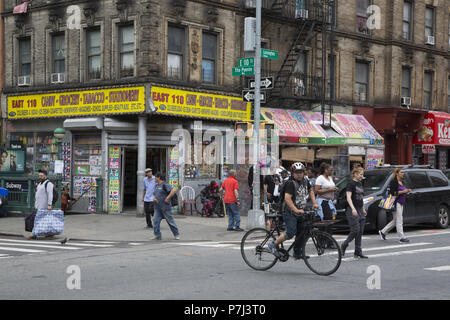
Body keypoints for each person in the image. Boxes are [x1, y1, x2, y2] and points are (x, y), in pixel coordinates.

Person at [268, 162, 319, 260]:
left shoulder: (305, 180)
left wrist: (314, 203)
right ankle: (272, 245)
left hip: (300, 210)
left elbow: (311, 190)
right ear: (293, 173)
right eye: (297, 172)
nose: (299, 174)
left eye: (301, 172)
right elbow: (287, 199)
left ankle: (297, 252)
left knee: (303, 232)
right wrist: (296, 210)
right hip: (289, 211)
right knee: (291, 232)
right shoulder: (291, 183)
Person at [341, 167, 368, 259]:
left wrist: (363, 208)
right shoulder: (350, 184)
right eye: (360, 174)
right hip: (352, 209)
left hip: (360, 209)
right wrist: (353, 209)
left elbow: (360, 197)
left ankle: (358, 251)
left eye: (362, 174)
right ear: (355, 174)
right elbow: (349, 197)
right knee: (355, 230)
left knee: (360, 231)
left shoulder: (360, 183)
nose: (362, 176)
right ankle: (344, 244)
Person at [379, 168, 411, 243]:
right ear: (397, 173)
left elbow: (402, 191)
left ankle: (383, 232)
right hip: (396, 203)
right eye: (401, 172)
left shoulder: (402, 181)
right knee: (399, 220)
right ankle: (401, 237)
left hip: (401, 202)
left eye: (403, 172)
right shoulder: (394, 182)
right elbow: (393, 193)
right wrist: (404, 191)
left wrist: (407, 191)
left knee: (396, 220)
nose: (403, 173)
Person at [152, 172, 180, 240]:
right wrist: (154, 198)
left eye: (155, 177)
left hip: (165, 207)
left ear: (159, 178)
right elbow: (154, 194)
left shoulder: (165, 185)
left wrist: (167, 198)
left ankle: (176, 234)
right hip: (157, 207)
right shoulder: (156, 185)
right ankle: (157, 235)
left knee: (170, 221)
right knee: (155, 221)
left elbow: (173, 191)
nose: (154, 178)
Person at [28, 170, 54, 239]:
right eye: (39, 175)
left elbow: (50, 194)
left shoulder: (48, 184)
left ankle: (34, 234)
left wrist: (49, 204)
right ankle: (50, 233)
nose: (40, 177)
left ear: (45, 176)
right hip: (39, 205)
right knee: (46, 220)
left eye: (41, 175)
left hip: (44, 206)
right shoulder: (40, 184)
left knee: (37, 220)